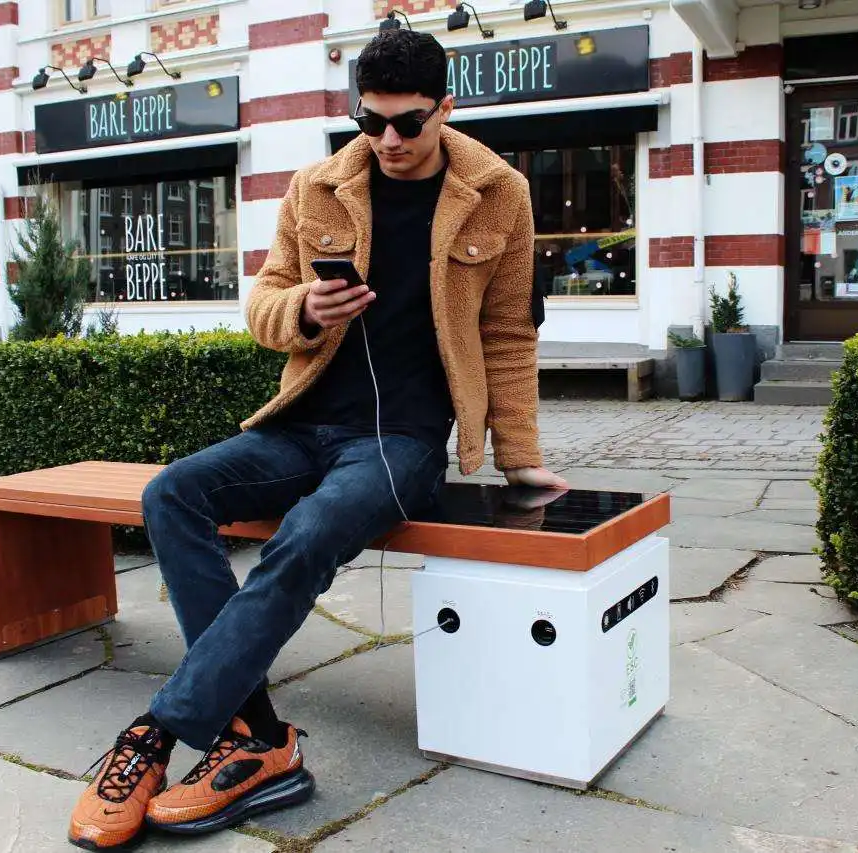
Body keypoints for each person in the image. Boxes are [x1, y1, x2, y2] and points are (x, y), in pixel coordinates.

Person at [67, 28, 567, 850]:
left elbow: (510, 334)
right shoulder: (318, 186)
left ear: (447, 107)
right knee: (171, 492)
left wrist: (518, 455)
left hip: (401, 443)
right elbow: (260, 301)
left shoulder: (499, 192)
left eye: (409, 123)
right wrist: (302, 308)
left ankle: (155, 735)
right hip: (302, 426)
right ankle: (258, 739)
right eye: (370, 121)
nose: (389, 141)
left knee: (305, 534)